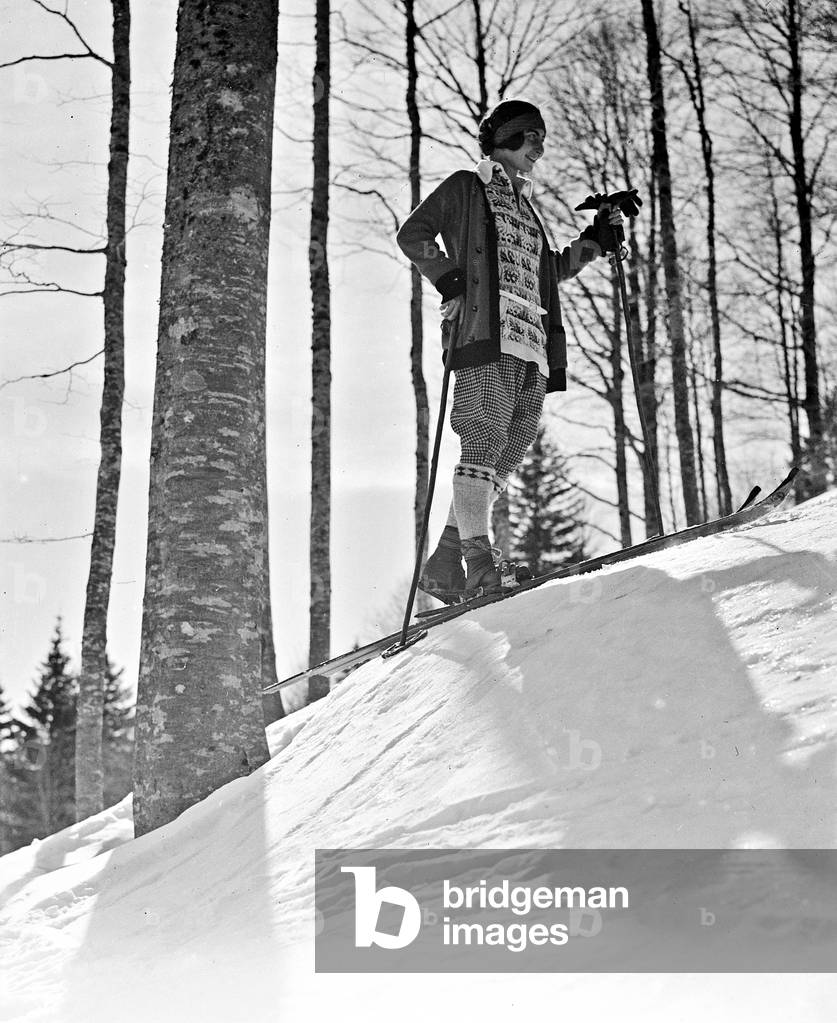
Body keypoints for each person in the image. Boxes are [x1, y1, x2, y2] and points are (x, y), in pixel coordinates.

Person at [396, 99, 623, 599]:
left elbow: (550, 271)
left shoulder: (527, 209)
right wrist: (449, 280)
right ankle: (479, 563)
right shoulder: (467, 187)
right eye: (533, 136)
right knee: (480, 442)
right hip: (484, 335)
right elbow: (412, 234)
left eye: (542, 137)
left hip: (531, 345)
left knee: (506, 452)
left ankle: (444, 564)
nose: (540, 146)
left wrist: (596, 240)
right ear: (509, 136)